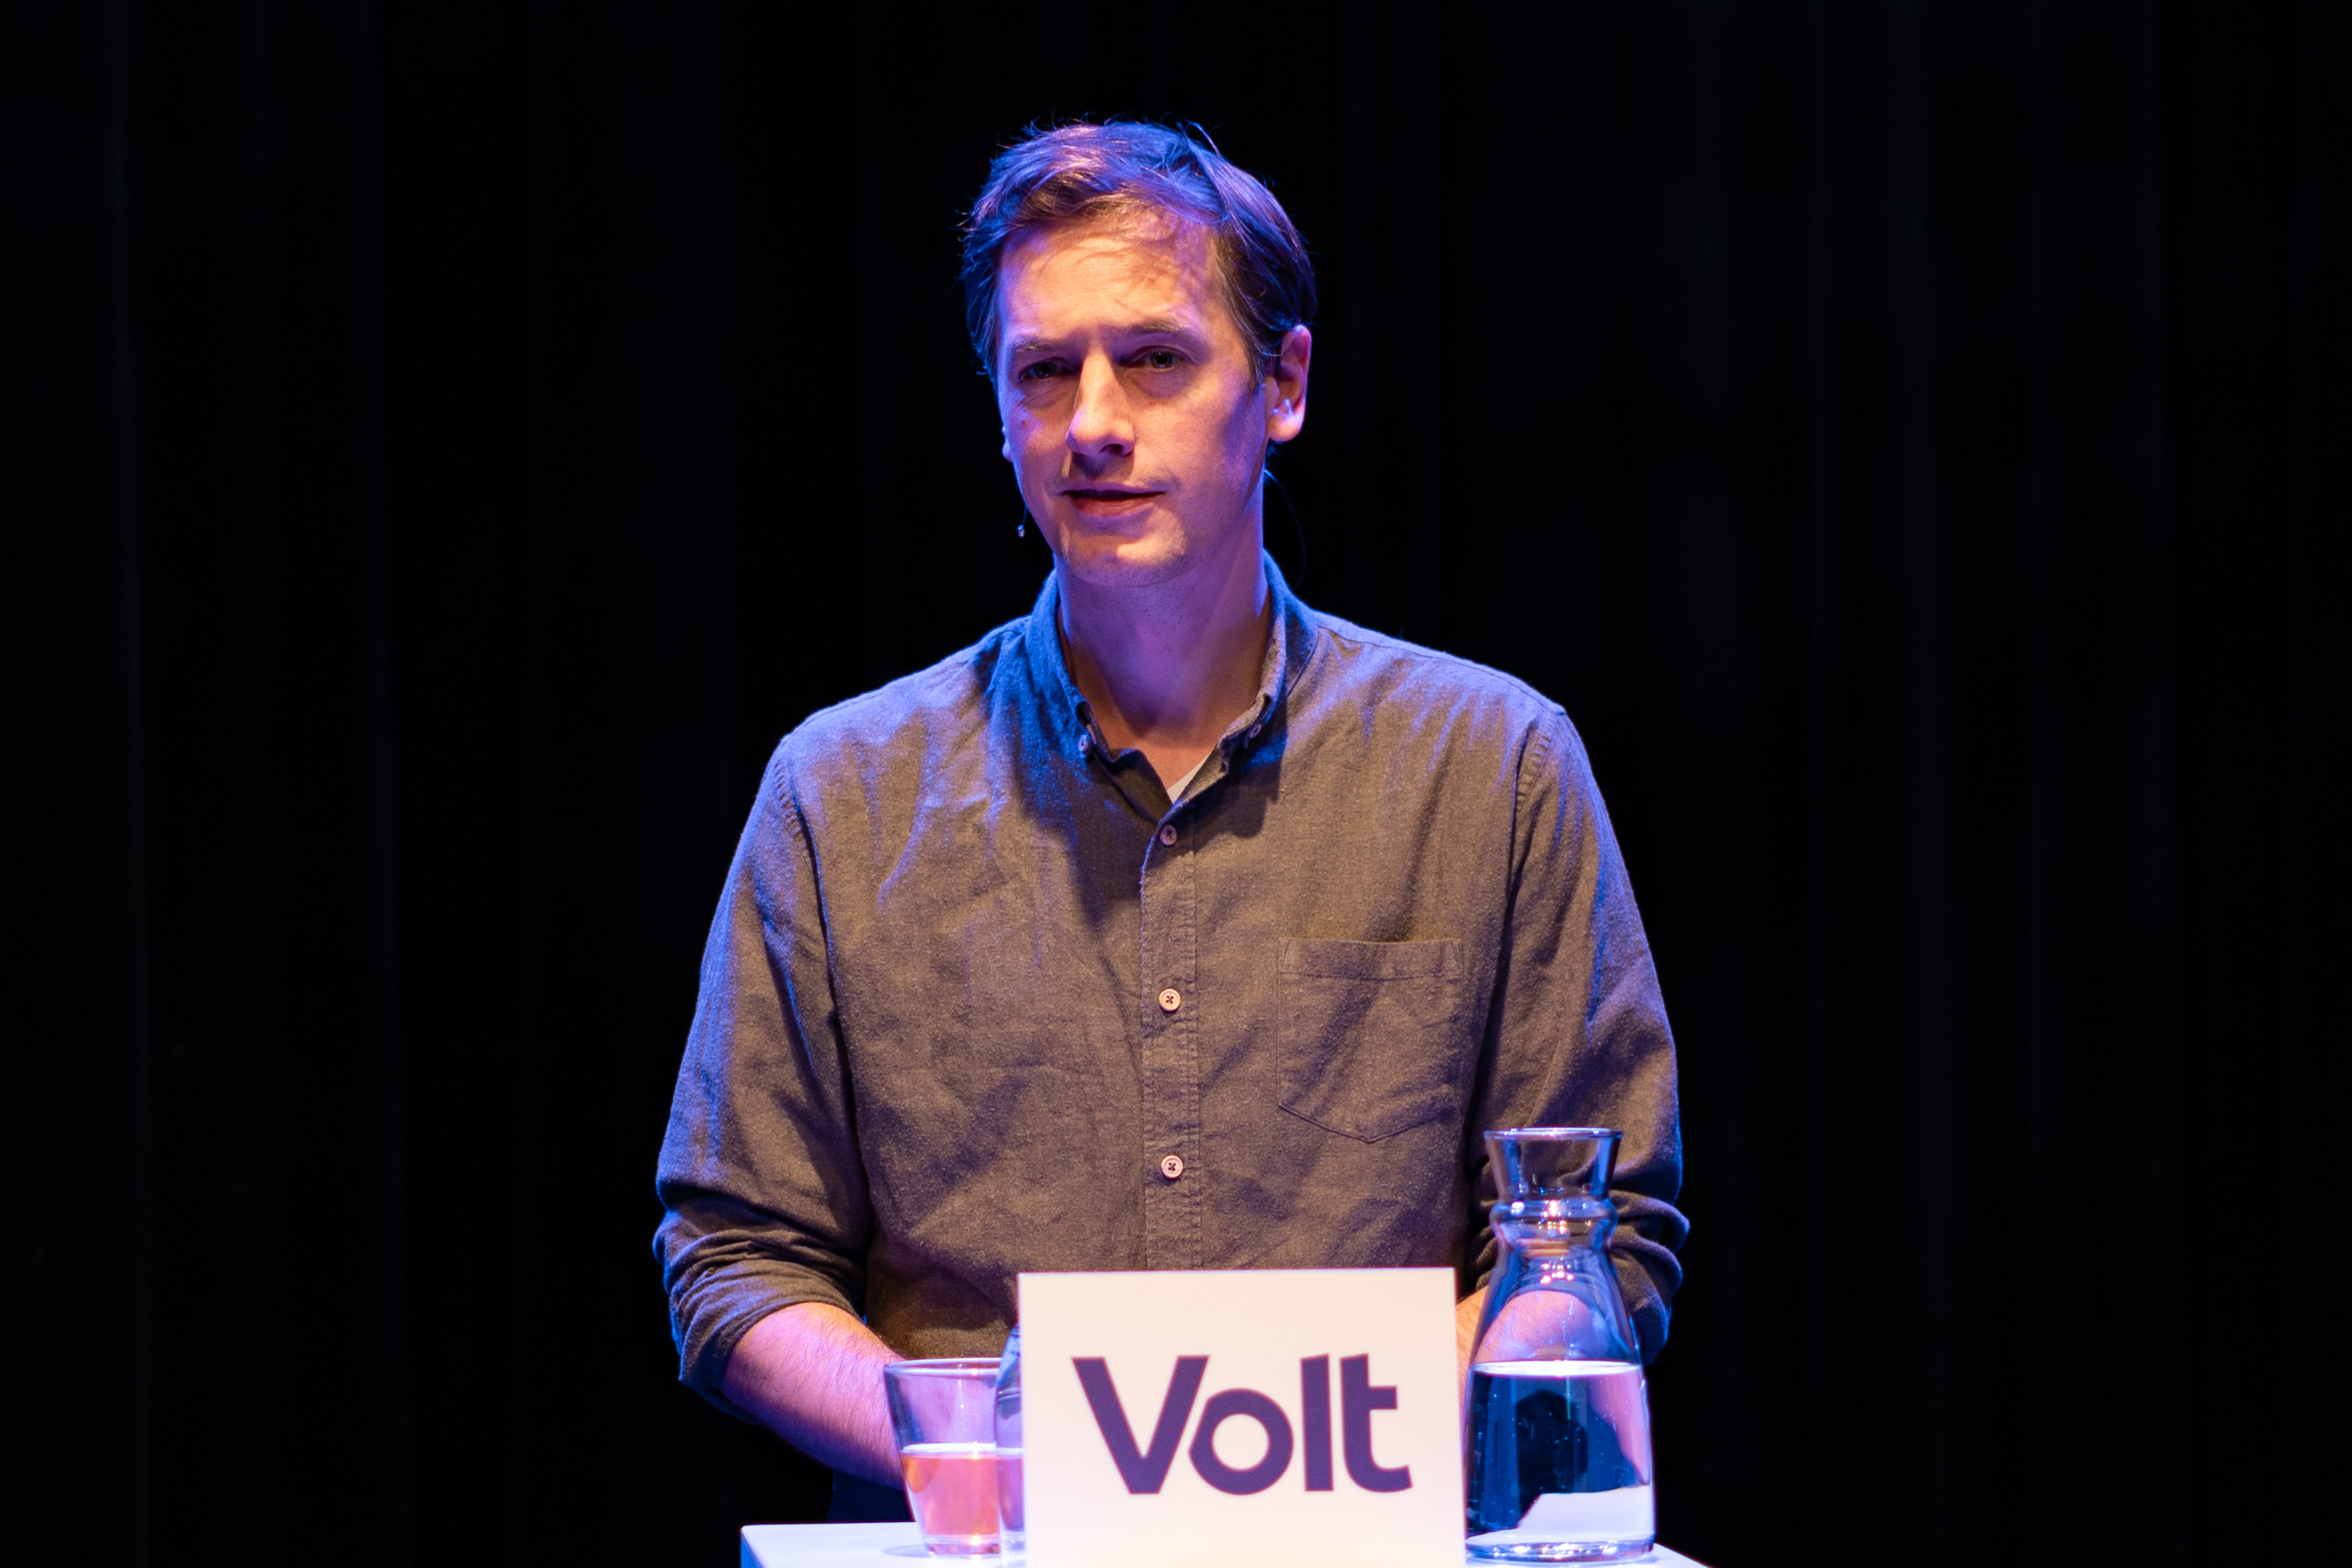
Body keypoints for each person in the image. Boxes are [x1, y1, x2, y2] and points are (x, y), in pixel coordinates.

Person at [653, 121, 1686, 1513]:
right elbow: (732, 1261)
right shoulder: (843, 793)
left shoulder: (1491, 765)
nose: (1092, 421)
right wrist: (1003, 1462)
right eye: (1043, 370)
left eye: (1153, 358)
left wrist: (1328, 1444)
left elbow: (1599, 1230)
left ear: (1284, 385)